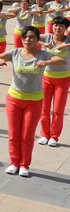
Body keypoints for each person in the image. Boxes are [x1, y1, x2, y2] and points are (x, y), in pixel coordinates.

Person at [0, 26, 65, 177]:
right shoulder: (15, 52)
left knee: (27, 136)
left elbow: (61, 61)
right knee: (14, 134)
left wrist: (46, 62)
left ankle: (24, 165)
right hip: (14, 100)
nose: (28, 40)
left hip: (33, 101)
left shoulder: (43, 54)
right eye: (25, 37)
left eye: (32, 37)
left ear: (38, 40)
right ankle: (14, 163)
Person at [38, 16, 70, 147]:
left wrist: (66, 45)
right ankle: (44, 134)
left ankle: (54, 136)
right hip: (46, 78)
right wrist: (44, 44)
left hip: (63, 80)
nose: (58, 28)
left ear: (66, 28)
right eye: (56, 25)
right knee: (44, 108)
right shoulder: (47, 37)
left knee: (58, 110)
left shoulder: (68, 39)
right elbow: (29, 36)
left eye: (61, 26)